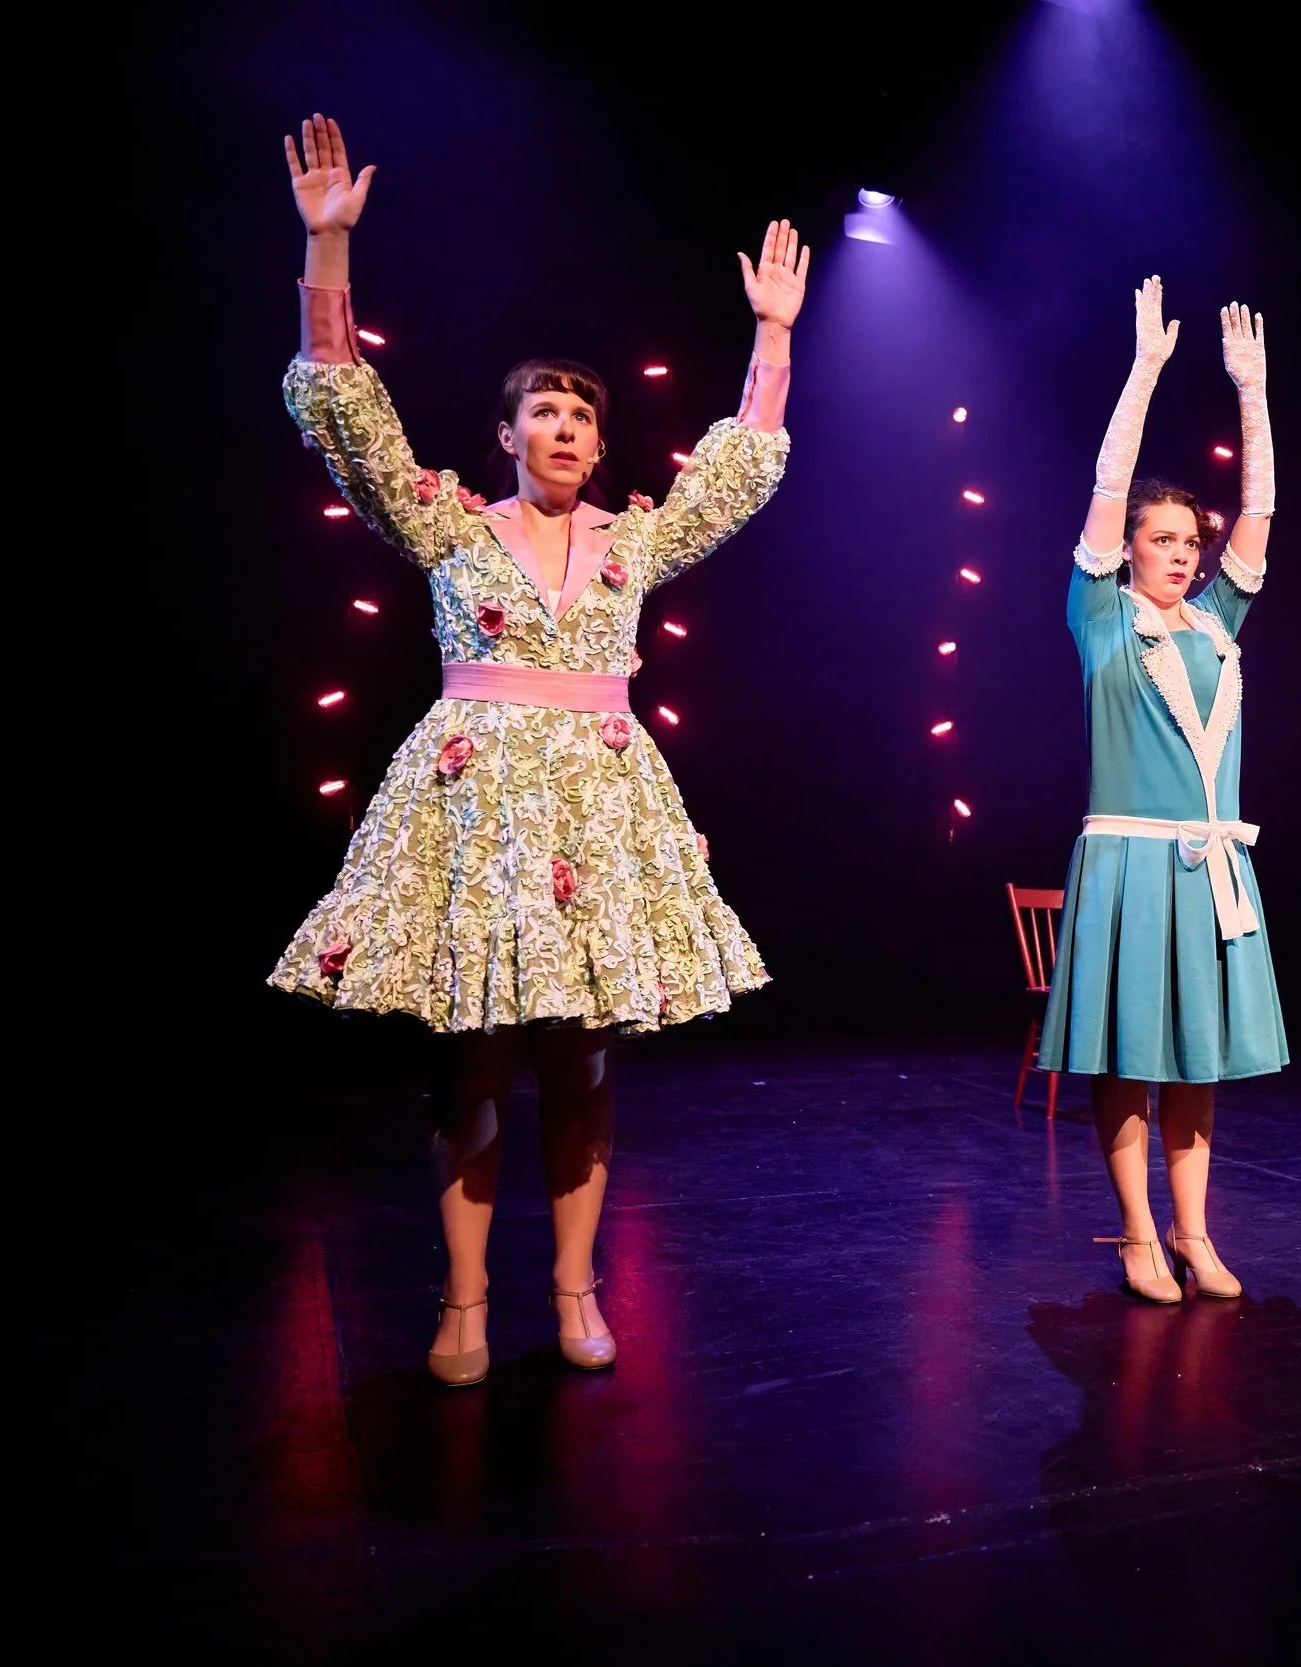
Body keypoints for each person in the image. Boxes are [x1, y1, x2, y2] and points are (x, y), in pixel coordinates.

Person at [268, 115, 809, 1383]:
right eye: (542, 412)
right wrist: (327, 252)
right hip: (479, 808)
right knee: (475, 1060)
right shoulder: (453, 529)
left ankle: (572, 1290)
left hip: (599, 809)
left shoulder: (630, 544)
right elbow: (349, 420)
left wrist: (773, 334)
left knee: (585, 1060)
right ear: (506, 433)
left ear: (600, 443)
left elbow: (738, 472)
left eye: (580, 415)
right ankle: (464, 1302)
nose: (564, 428)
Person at [1036, 278, 1289, 1304]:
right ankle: (1137, 1232)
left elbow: (1262, 510)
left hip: (1211, 860)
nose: (1183, 554)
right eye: (1164, 540)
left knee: (1196, 1062)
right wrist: (1143, 371)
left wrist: (1251, 394)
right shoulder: (1099, 614)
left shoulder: (1218, 619)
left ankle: (1193, 1229)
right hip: (1132, 858)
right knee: (1127, 1054)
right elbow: (1106, 488)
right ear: (1129, 551)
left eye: (1191, 541)